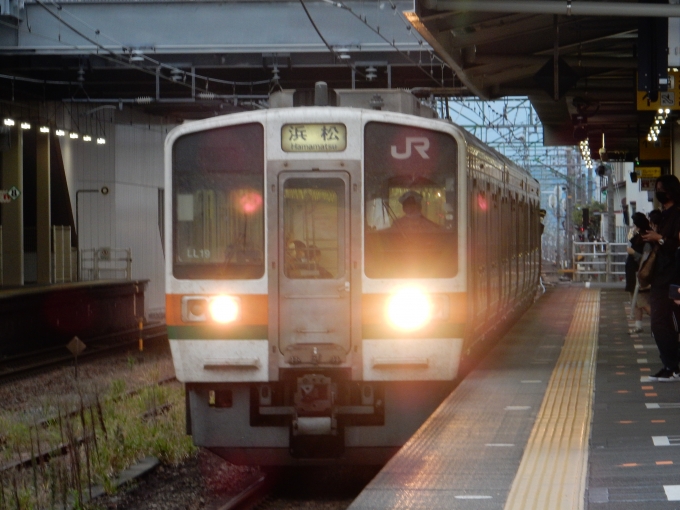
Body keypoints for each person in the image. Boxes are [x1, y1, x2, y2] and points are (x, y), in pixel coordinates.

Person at [641, 175, 680, 381]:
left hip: (672, 277)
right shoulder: (663, 215)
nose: (658, 193)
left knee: (663, 323)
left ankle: (673, 366)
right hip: (660, 277)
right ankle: (670, 365)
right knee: (660, 323)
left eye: (660, 189)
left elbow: (676, 246)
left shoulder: (677, 215)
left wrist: (660, 239)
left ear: (671, 191)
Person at [626, 212, 651, 333]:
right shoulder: (637, 238)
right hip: (633, 274)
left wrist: (633, 253)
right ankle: (638, 325)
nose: (634, 228)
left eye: (635, 225)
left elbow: (645, 258)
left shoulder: (646, 240)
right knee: (635, 301)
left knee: (642, 302)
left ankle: (661, 320)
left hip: (639, 275)